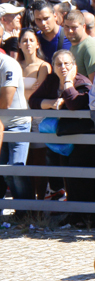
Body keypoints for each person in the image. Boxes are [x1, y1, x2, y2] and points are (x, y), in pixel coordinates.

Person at [29, 49, 95, 209]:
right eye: (59, 64)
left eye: (67, 64)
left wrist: (67, 82)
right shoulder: (51, 80)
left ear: (74, 66)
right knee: (67, 175)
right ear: (53, 66)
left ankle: (86, 215)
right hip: (62, 135)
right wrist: (51, 103)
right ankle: (72, 213)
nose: (63, 67)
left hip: (83, 137)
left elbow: (74, 104)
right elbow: (33, 101)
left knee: (81, 176)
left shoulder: (82, 82)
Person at [0, 47, 34, 201]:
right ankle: (19, 213)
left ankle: (27, 213)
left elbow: (6, 101)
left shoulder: (8, 64)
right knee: (5, 172)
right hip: (1, 123)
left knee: (16, 170)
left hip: (18, 123)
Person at [64, 10, 95, 82]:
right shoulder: (74, 45)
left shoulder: (91, 48)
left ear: (83, 26)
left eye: (74, 27)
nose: (70, 31)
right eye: (67, 27)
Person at [17, 28, 51, 101]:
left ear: (37, 44)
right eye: (24, 41)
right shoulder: (15, 65)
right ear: (19, 45)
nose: (28, 43)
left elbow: (39, 93)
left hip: (34, 108)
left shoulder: (43, 66)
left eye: (31, 40)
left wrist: (16, 92)